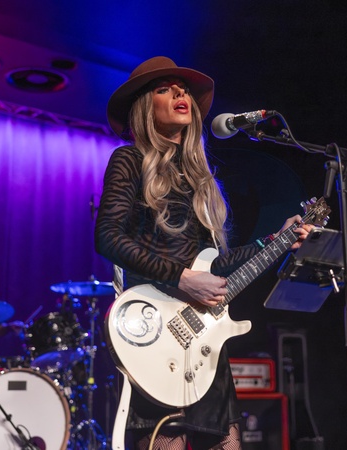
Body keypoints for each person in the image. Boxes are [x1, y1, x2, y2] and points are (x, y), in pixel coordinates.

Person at [96, 56, 315, 450]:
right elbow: (108, 237)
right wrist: (182, 279)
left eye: (182, 89)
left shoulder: (200, 180)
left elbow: (215, 268)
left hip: (202, 343)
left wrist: (276, 240)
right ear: (145, 106)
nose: (179, 94)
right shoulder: (129, 160)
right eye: (164, 89)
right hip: (157, 334)